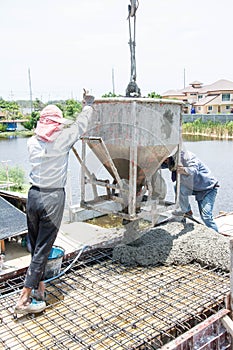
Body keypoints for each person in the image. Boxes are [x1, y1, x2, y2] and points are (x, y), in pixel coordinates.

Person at [14, 94, 94, 315]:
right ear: (57, 125)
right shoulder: (62, 140)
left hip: (33, 197)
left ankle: (40, 288)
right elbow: (81, 125)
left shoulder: (31, 142)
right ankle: (24, 298)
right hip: (52, 198)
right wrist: (88, 106)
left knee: (35, 245)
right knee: (43, 249)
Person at [164, 150, 219, 232]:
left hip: (208, 188)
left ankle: (216, 237)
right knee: (177, 186)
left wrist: (184, 170)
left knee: (206, 217)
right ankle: (187, 211)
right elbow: (157, 165)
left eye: (166, 160)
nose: (165, 161)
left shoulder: (187, 156)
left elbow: (194, 170)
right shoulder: (169, 160)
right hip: (193, 187)